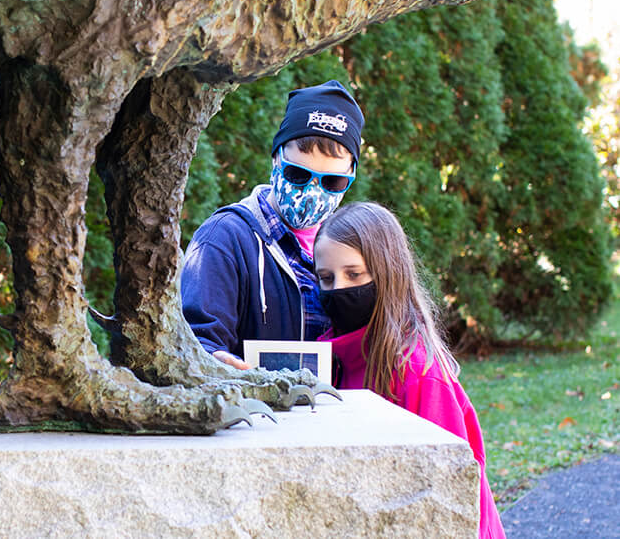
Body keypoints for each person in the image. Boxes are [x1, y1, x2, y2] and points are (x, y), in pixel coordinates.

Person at [314, 201, 505, 539]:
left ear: (387, 273)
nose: (337, 289)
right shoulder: (328, 360)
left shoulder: (417, 372)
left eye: (354, 274)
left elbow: (446, 491)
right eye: (326, 278)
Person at [180, 79, 363, 369]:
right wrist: (215, 361)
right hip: (257, 411)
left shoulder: (356, 248)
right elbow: (193, 340)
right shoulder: (225, 238)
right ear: (276, 158)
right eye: (298, 175)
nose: (313, 192)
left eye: (332, 181)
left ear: (351, 176)